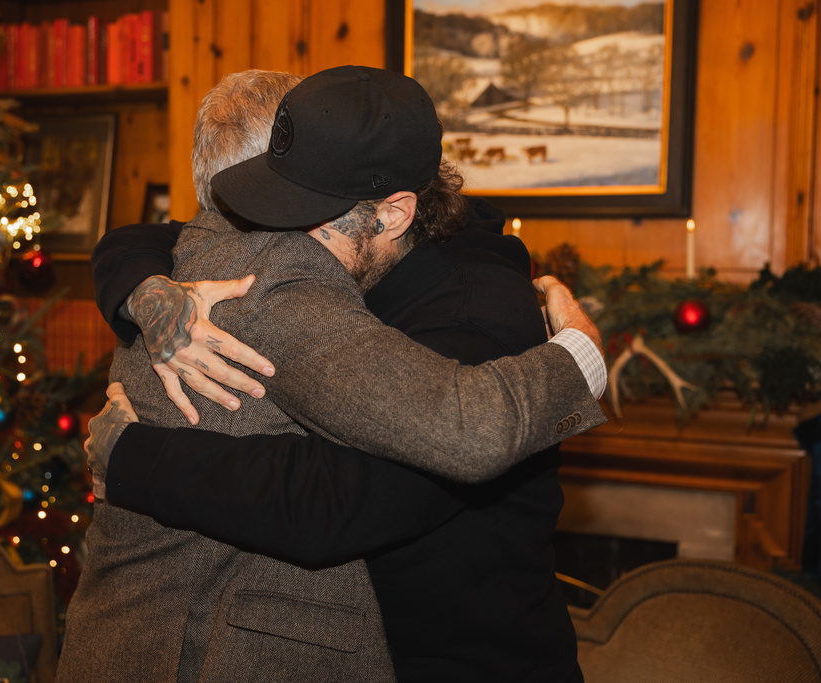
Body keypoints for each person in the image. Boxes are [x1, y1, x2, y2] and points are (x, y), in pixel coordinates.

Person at [58, 67, 605, 683]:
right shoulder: (335, 256)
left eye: (308, 217)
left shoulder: (474, 314)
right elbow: (171, 234)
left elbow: (337, 502)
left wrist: (583, 354)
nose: (279, 240)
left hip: (470, 661)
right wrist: (138, 284)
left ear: (394, 214)